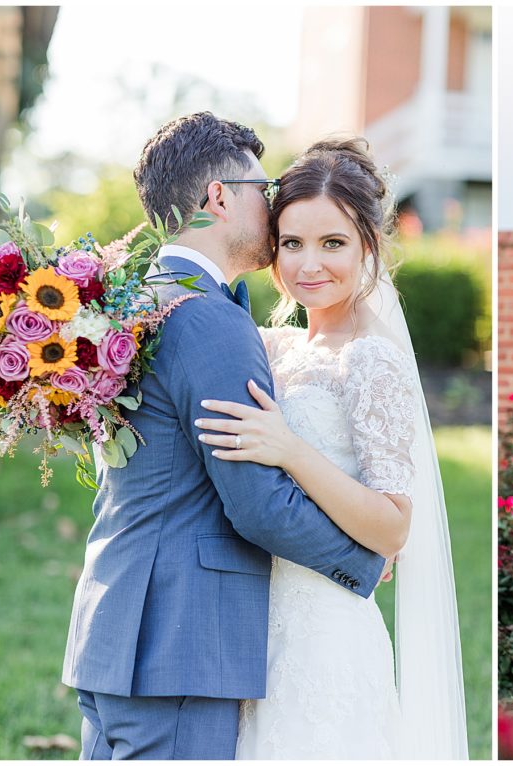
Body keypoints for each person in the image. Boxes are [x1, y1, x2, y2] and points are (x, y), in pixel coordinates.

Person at [62, 113, 386, 760]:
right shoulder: (208, 318)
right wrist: (366, 561)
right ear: (219, 196)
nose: (271, 207)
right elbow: (257, 501)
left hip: (118, 623)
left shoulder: (136, 299)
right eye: (261, 189)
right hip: (178, 641)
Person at [193, 138, 468, 758]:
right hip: (253, 615)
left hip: (326, 629)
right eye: (291, 243)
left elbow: (394, 528)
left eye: (333, 243)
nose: (308, 264)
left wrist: (291, 449)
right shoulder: (273, 347)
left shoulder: (372, 361)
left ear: (369, 245)